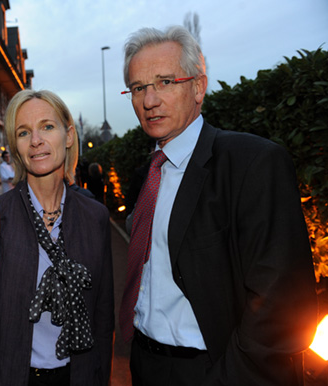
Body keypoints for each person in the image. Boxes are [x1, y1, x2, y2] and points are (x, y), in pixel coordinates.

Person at [118, 26, 317, 385]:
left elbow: (281, 302)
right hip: (146, 365)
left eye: (165, 82)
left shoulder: (252, 163)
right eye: (138, 88)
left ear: (198, 86)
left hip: (216, 371)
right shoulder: (146, 176)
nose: (149, 100)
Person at [0, 90, 114, 385]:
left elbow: (102, 320)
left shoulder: (95, 217)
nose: (36, 140)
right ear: (15, 145)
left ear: (68, 135)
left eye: (47, 127)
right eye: (24, 132)